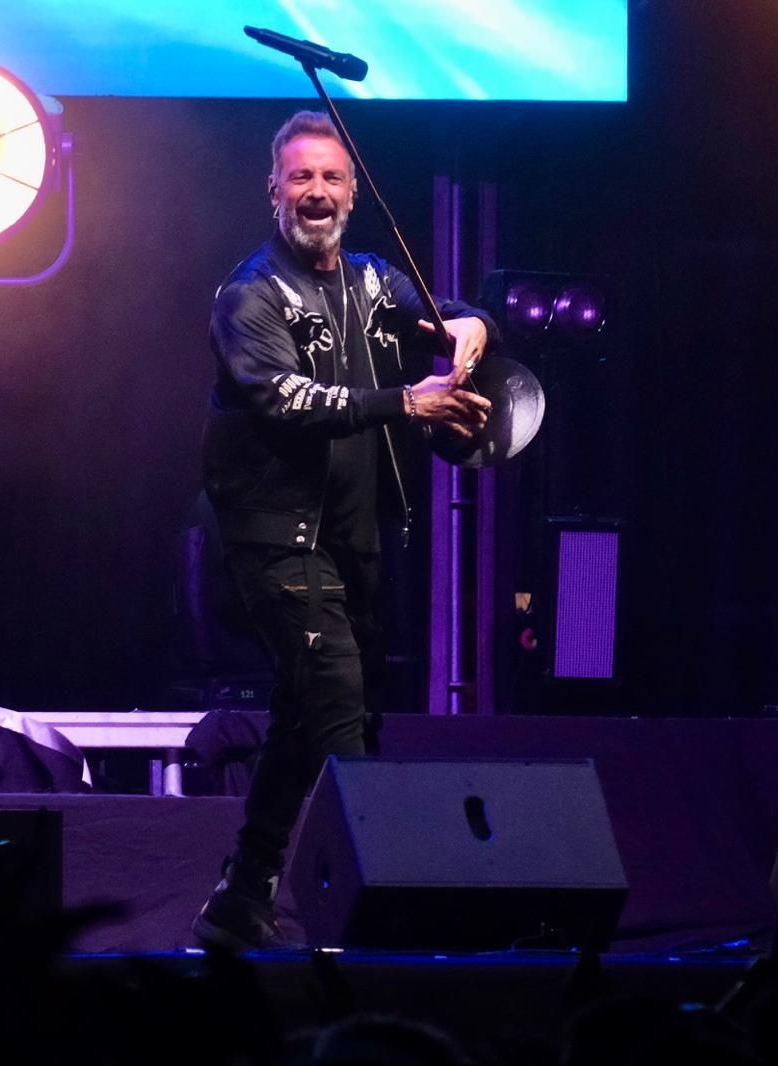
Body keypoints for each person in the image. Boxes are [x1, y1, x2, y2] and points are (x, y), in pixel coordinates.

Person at [194, 110, 495, 950]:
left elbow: (446, 317)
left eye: (330, 178)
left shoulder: (372, 279)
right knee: (336, 711)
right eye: (300, 178)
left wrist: (470, 327)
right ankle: (387, 913)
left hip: (354, 536)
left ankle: (240, 896)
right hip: (275, 538)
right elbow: (286, 400)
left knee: (310, 714)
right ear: (274, 190)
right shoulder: (247, 295)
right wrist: (407, 400)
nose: (315, 193)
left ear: (353, 193)